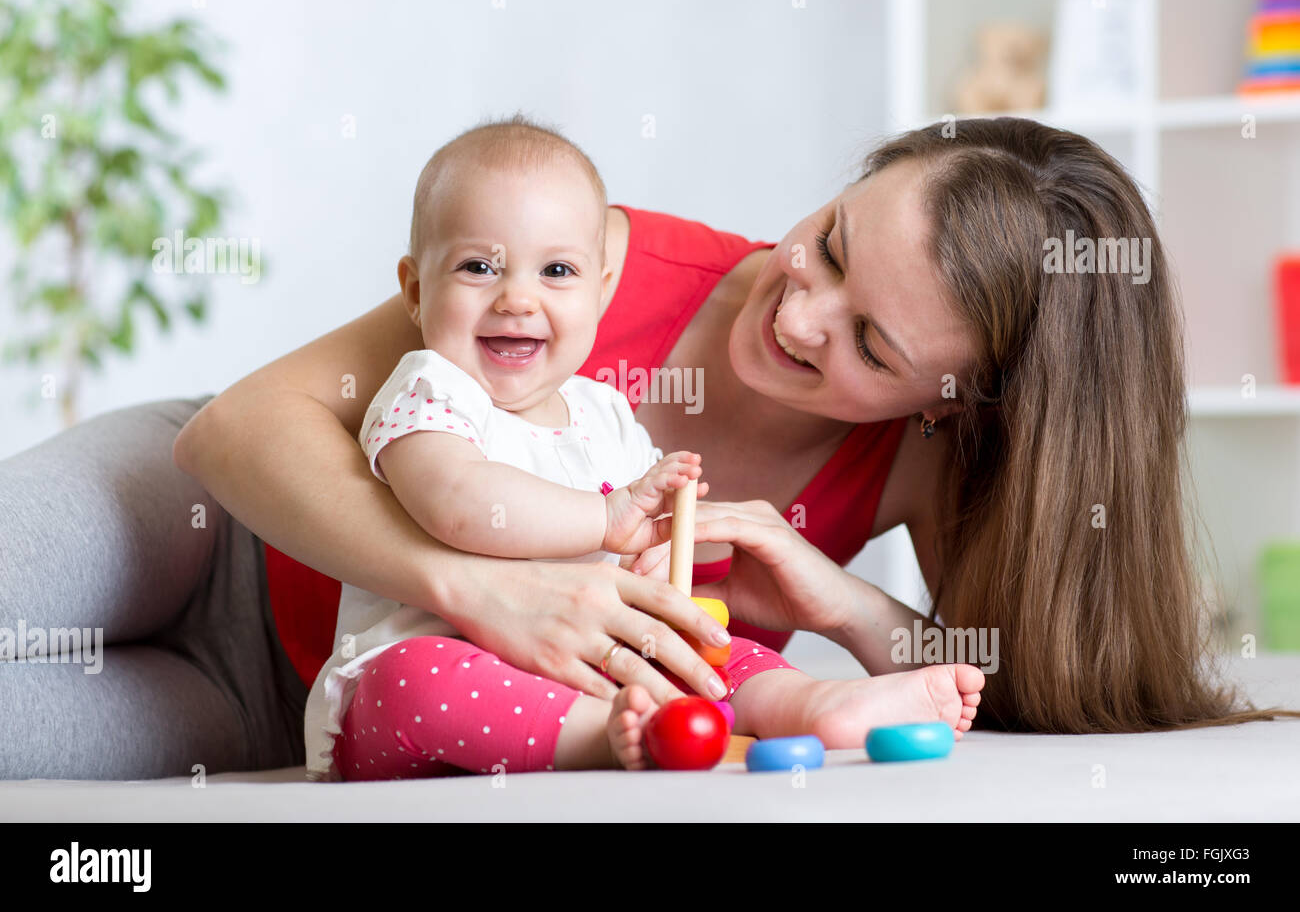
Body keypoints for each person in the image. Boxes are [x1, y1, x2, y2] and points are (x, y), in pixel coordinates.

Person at [2, 116, 1286, 780]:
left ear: (949, 403)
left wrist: (841, 602)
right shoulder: (585, 257)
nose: (793, 312)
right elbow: (243, 431)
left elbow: (999, 683)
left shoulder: (912, 462)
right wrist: (471, 580)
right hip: (201, 526)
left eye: (868, 347)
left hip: (303, 705)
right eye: (827, 241)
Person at [305, 117, 983, 780]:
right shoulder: (429, 389)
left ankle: (813, 705)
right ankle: (609, 738)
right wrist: (611, 516)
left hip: (594, 661)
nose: (517, 298)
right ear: (417, 292)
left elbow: (644, 546)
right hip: (426, 667)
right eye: (480, 268)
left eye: (557, 272)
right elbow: (457, 504)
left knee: (712, 645)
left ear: (600, 293)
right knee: (417, 683)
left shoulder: (601, 409)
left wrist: (681, 546)